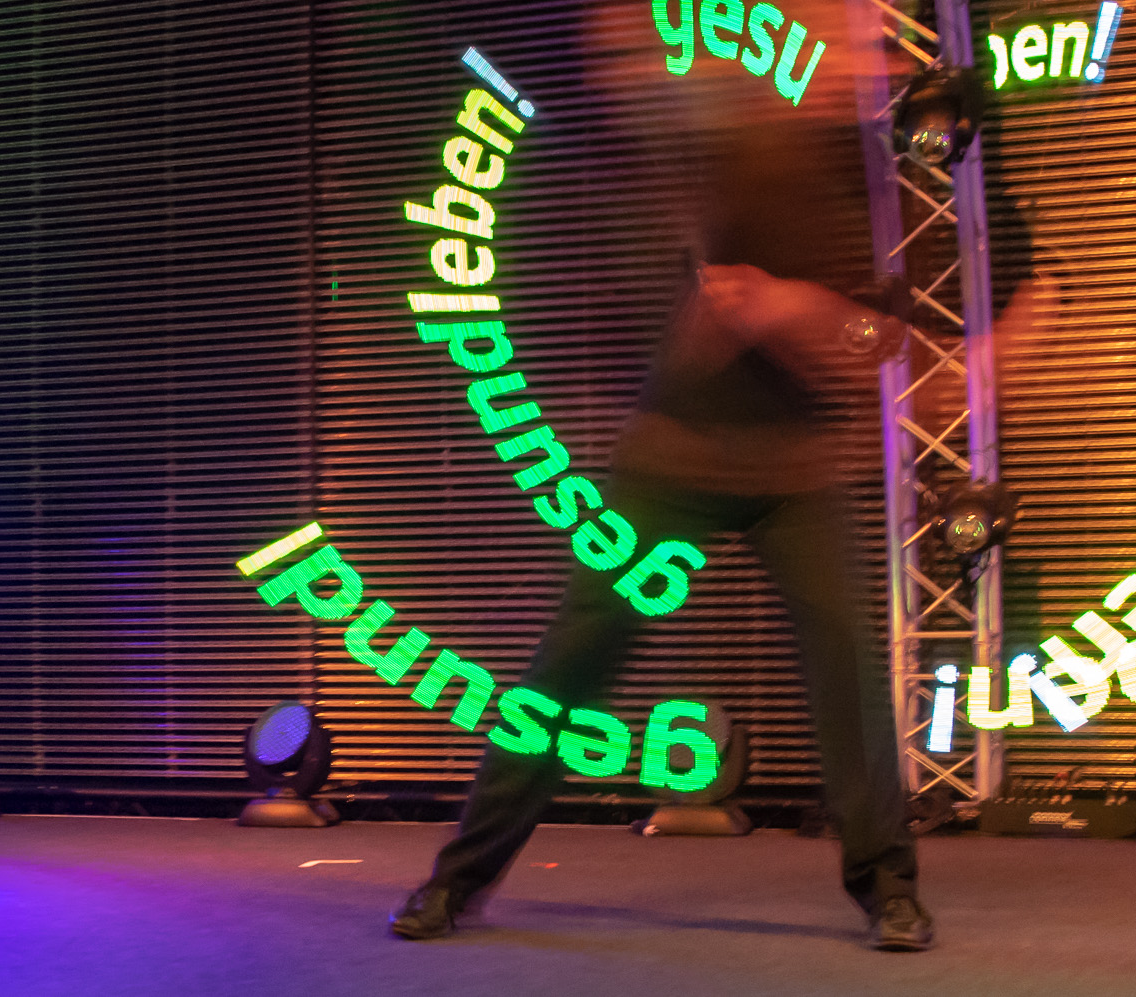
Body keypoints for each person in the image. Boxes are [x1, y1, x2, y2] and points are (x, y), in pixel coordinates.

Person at [390, 66, 939, 952]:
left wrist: (805, 309)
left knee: (848, 668)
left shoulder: (866, 190)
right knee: (568, 671)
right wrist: (771, 311)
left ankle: (889, 886)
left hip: (796, 473)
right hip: (670, 465)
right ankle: (458, 878)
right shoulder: (719, 170)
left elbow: (879, 340)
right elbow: (705, 320)